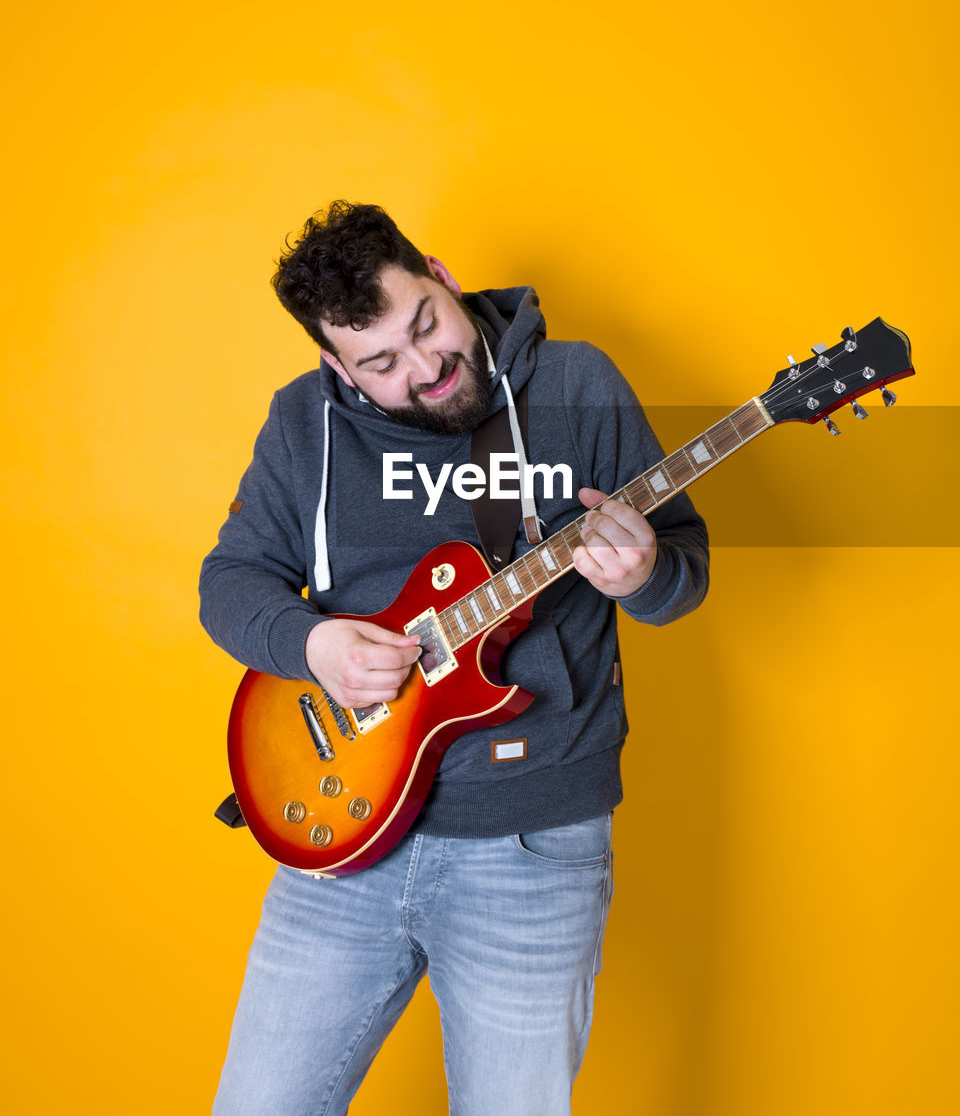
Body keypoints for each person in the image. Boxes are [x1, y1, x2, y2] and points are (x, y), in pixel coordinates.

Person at [200, 201, 709, 1115]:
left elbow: (683, 576)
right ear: (335, 366)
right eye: (381, 364)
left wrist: (641, 574)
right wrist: (312, 643)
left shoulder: (577, 387)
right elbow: (230, 582)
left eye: (426, 324)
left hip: (531, 848)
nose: (426, 369)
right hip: (336, 840)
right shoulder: (303, 423)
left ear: (438, 272)